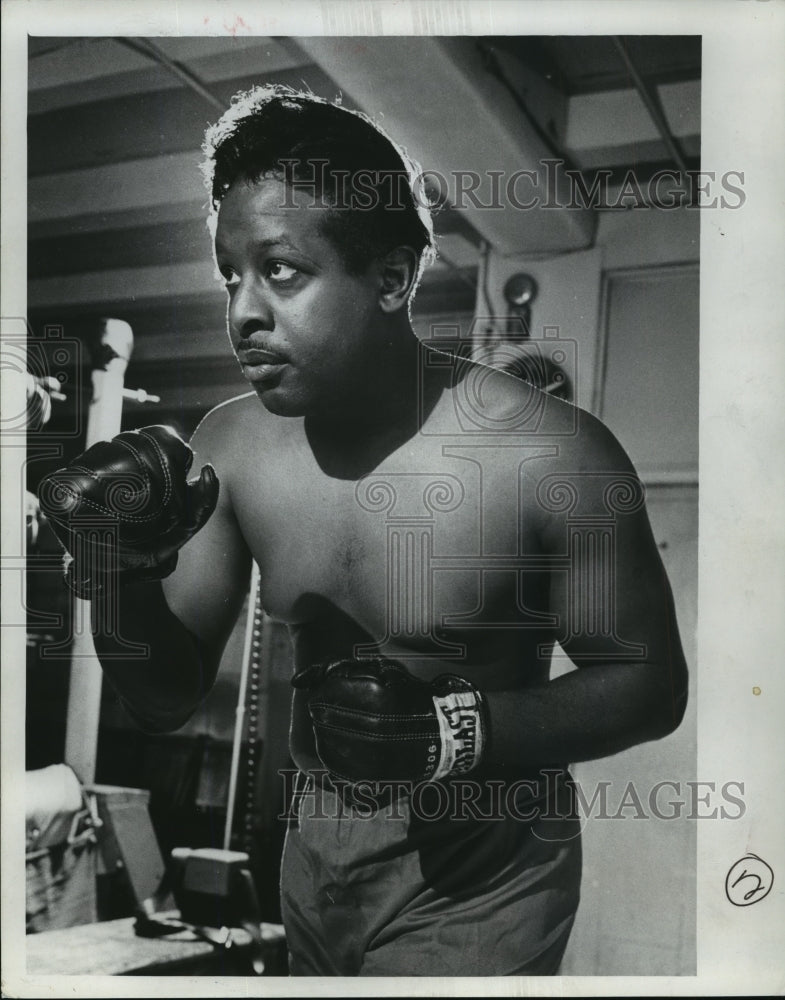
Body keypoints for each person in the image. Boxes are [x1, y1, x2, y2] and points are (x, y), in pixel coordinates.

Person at [38, 85, 688, 977]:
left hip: (484, 870)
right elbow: (164, 696)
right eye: (230, 275)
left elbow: (649, 687)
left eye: (281, 272)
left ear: (390, 277)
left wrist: (455, 730)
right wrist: (111, 568)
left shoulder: (548, 451)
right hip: (315, 853)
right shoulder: (234, 443)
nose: (242, 314)